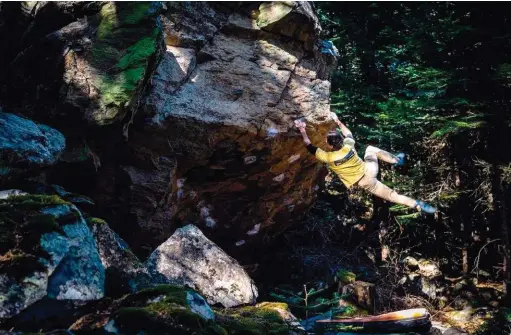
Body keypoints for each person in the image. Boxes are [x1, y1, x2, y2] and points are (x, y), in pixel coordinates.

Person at [295, 114, 436, 214]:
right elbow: (348, 133)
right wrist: (338, 121)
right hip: (370, 169)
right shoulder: (348, 146)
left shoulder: (328, 157)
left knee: (392, 195)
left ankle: (415, 203)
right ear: (340, 140)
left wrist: (302, 129)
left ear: (329, 145)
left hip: (364, 182)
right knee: (370, 149)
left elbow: (308, 145)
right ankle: (396, 160)